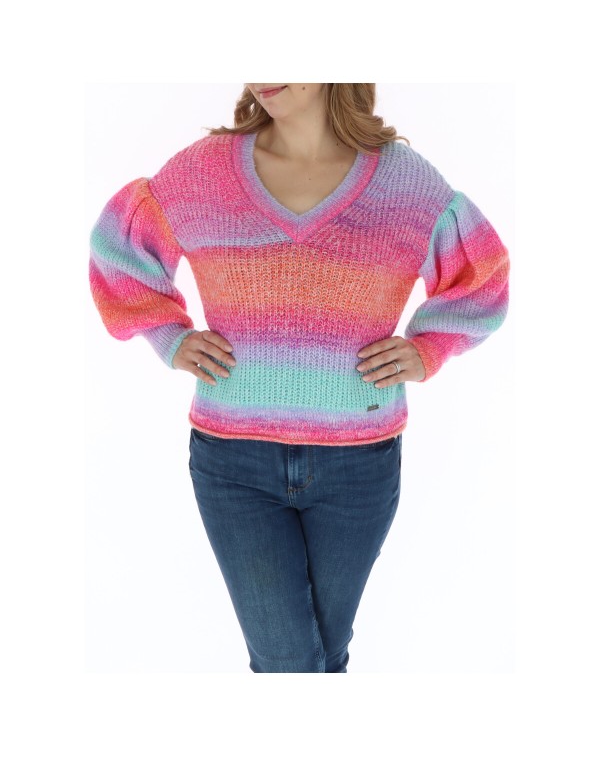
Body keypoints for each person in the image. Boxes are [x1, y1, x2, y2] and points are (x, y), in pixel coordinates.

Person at [89, 83, 510, 673]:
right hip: (232, 463)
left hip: (359, 466)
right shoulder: (202, 172)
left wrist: (429, 348)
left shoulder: (405, 183)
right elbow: (118, 246)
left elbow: (482, 274)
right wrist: (169, 337)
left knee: (322, 657)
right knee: (289, 660)